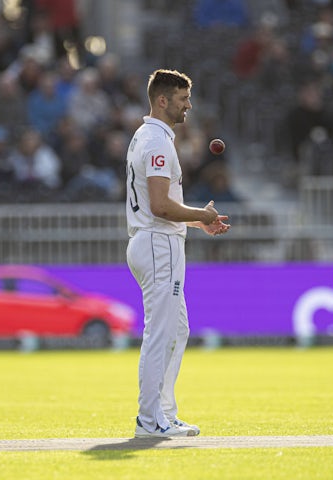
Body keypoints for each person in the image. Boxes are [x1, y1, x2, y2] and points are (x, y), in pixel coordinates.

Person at [125, 69, 230, 438]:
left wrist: (197, 223)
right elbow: (160, 206)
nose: (189, 105)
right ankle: (149, 419)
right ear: (163, 100)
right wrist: (200, 214)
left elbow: (164, 206)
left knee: (177, 329)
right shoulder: (156, 141)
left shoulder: (148, 135)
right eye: (183, 99)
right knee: (161, 331)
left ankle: (164, 413)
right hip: (157, 242)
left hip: (157, 239)